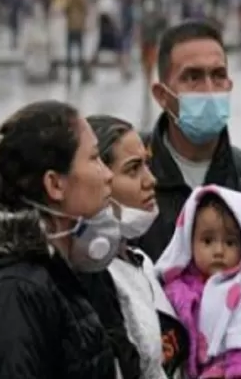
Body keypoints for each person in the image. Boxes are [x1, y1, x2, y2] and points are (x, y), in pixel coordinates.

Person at [133, 19, 241, 377]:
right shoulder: (129, 175)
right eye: (192, 77)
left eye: (218, 75)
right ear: (161, 94)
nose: (209, 88)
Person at [0, 100, 120, 378]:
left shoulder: (64, 273)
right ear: (55, 184)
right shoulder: (14, 294)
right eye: (94, 158)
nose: (108, 174)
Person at [88, 115, 189, 379]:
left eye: (148, 165)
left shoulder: (140, 260)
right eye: (133, 170)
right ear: (97, 179)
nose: (151, 180)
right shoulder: (93, 277)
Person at [156, 185, 241, 379]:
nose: (219, 251)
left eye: (230, 242)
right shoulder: (175, 292)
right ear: (189, 241)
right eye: (207, 241)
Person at [63, 0, 91, 84]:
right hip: (79, 27)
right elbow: (86, 9)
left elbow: (65, 9)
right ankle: (82, 73)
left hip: (71, 27)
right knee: (80, 51)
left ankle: (69, 74)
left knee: (70, 51)